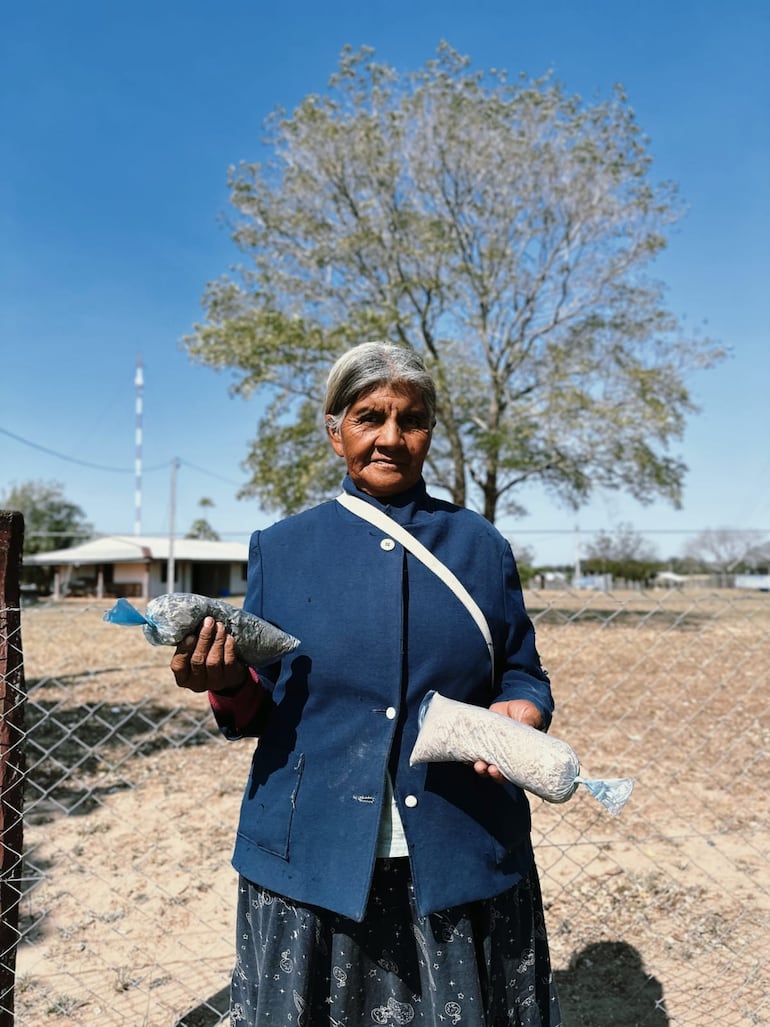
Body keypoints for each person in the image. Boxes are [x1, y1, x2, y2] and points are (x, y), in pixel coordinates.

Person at [171, 341, 562, 1026]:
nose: (389, 437)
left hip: (458, 846)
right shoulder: (283, 548)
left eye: (409, 419)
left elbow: (522, 668)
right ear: (334, 430)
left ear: (430, 433)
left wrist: (522, 708)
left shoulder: (480, 547)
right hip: (313, 856)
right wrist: (226, 680)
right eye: (368, 416)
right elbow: (259, 700)